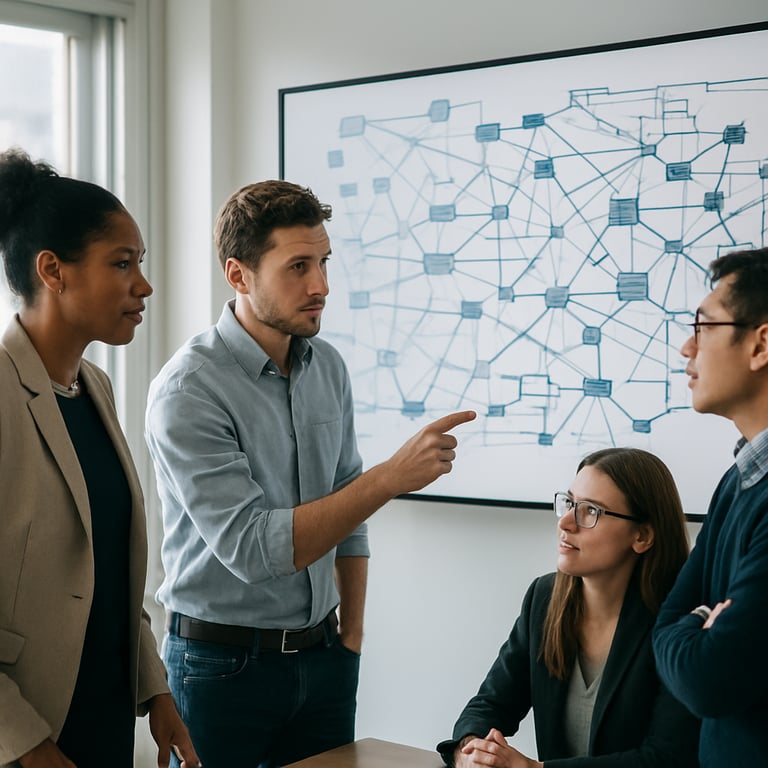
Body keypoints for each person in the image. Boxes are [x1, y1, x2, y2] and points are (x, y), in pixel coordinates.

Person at [144, 179, 476, 767]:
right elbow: (252, 548)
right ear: (238, 274)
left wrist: (351, 638)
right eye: (297, 266)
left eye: (323, 262)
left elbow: (349, 510)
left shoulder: (328, 368)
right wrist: (392, 476)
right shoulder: (188, 390)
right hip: (220, 669)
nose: (320, 285)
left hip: (324, 659)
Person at [0, 149, 199, 768]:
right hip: (28, 736)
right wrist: (26, 744)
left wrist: (156, 687)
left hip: (106, 720)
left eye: (140, 263)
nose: (143, 285)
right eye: (122, 263)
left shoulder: (96, 386)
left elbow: (108, 568)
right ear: (53, 271)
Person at [437, 447, 700, 768]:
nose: (565, 522)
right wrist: (471, 750)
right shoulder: (544, 598)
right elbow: (491, 704)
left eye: (591, 511)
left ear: (642, 536)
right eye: (570, 503)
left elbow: (665, 759)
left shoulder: (681, 619)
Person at [653, 247, 768, 766]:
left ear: (761, 343)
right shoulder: (737, 480)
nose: (685, 348)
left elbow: (710, 680)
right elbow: (667, 622)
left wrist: (698, 625)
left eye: (702, 328)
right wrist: (699, 620)